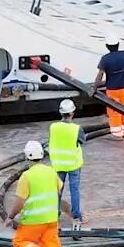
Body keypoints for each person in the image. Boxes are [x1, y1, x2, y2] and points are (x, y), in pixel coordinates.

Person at [7, 141, 65, 247]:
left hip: (33, 220)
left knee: (19, 241)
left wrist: (11, 216)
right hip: (51, 219)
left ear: (27, 157)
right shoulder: (51, 171)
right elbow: (60, 187)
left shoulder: (26, 176)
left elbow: (19, 201)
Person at [93, 28, 124, 140]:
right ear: (118, 44)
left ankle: (117, 134)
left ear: (107, 46)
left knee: (114, 111)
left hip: (112, 89)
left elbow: (99, 76)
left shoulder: (105, 59)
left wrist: (94, 88)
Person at [48, 98, 87, 231]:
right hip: (73, 164)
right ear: (72, 113)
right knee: (74, 190)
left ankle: (55, 213)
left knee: (57, 190)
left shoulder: (53, 127)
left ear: (61, 113)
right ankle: (76, 215)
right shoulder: (77, 129)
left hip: (58, 164)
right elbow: (82, 141)